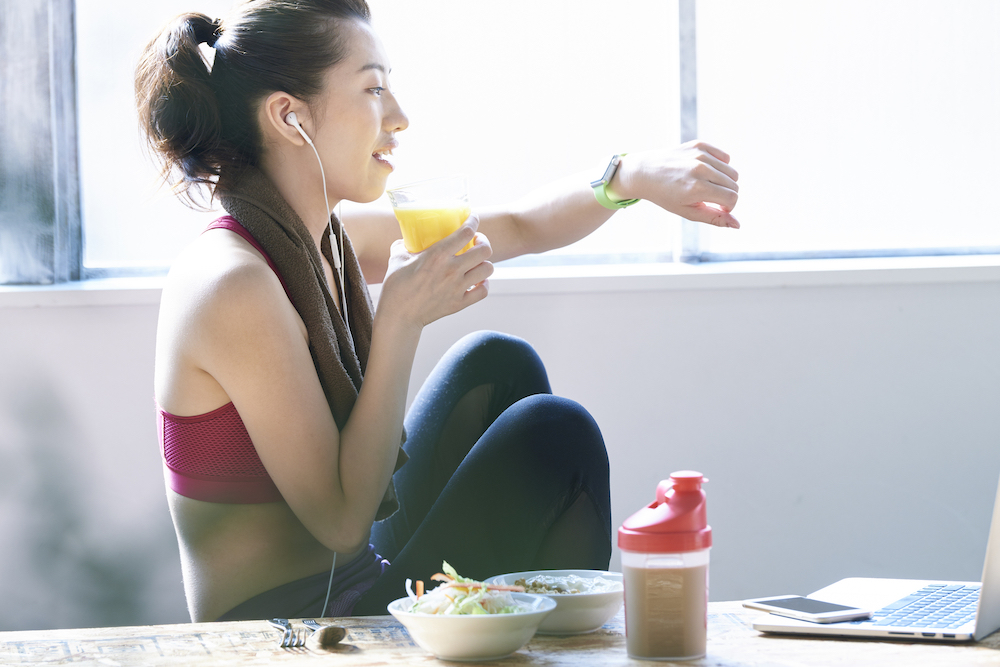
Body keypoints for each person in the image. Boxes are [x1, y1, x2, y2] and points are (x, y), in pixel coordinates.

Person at [136, 0, 740, 623]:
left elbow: (519, 225)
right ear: (290, 117)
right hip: (294, 629)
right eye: (373, 88)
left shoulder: (324, 237)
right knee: (556, 436)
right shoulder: (234, 281)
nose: (399, 117)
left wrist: (628, 176)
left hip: (358, 579)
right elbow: (342, 523)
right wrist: (400, 320)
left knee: (497, 363)